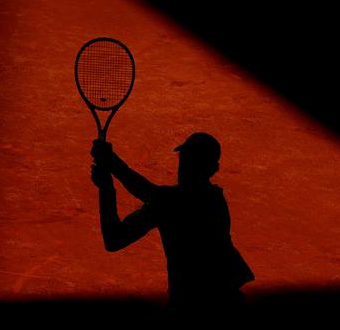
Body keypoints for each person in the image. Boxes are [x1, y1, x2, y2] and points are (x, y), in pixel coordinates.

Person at [90, 132, 255, 313]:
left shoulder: (207, 201)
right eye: (183, 159)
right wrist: (106, 186)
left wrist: (111, 164)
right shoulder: (172, 204)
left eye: (192, 162)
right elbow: (114, 239)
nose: (183, 167)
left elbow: (149, 193)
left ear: (211, 169)